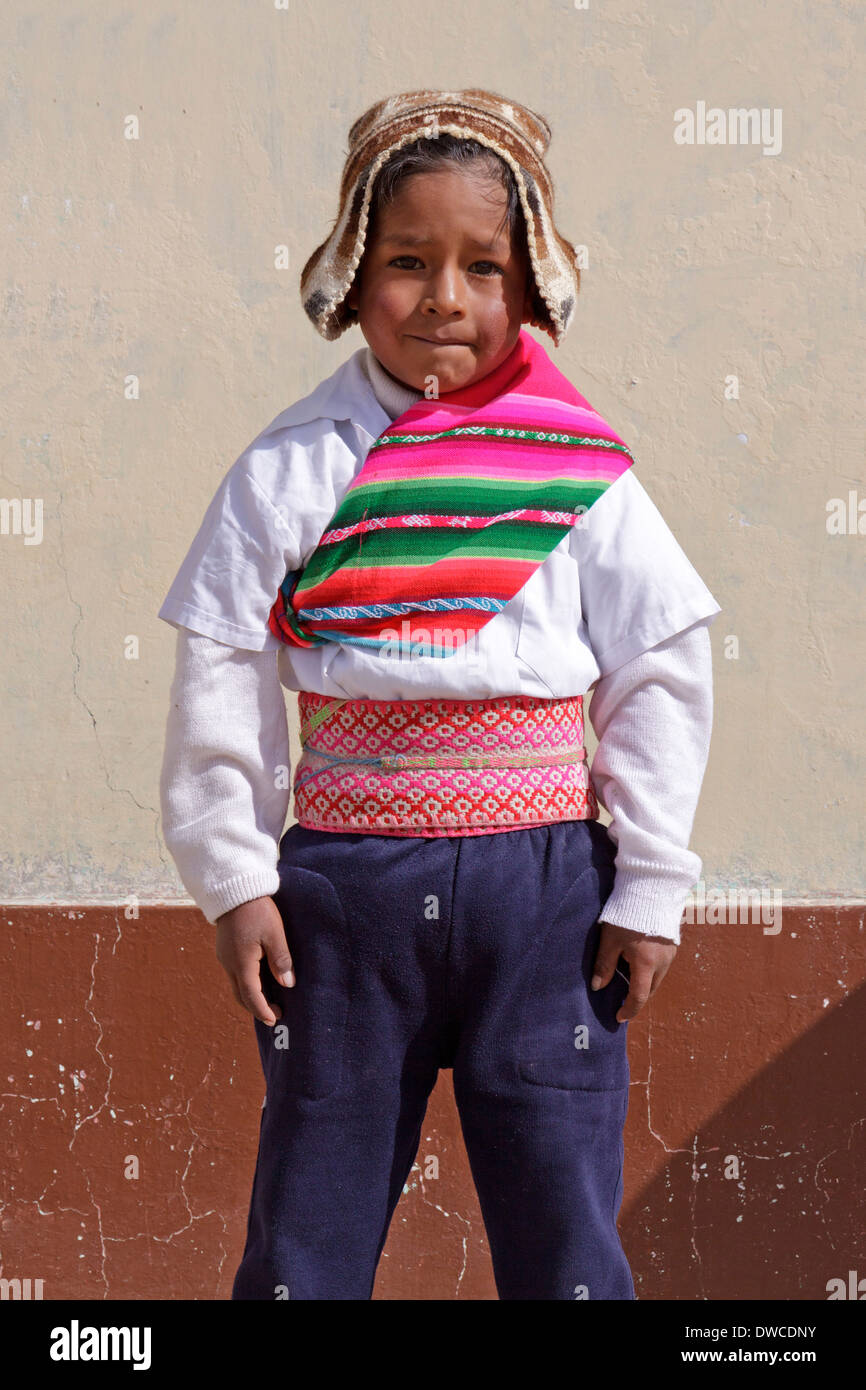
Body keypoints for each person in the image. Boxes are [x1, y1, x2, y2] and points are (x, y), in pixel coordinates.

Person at [157, 89, 721, 1300]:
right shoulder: (290, 466)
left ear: (533, 285)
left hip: (545, 896)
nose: (445, 300)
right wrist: (236, 876)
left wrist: (651, 883)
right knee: (309, 1215)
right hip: (342, 899)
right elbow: (223, 662)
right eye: (407, 262)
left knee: (563, 1222)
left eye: (483, 266)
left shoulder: (580, 473)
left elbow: (659, 662)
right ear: (353, 272)